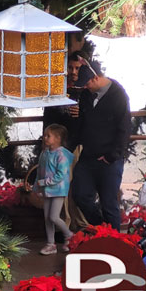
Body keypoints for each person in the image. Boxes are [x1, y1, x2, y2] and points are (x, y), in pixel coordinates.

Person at [70, 59, 131, 231]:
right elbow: (81, 123)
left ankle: (115, 242)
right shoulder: (86, 95)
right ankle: (101, 228)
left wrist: (113, 155)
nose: (85, 87)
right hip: (88, 157)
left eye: (87, 83)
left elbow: (124, 128)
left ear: (96, 78)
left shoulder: (118, 95)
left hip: (109, 161)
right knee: (80, 194)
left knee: (109, 203)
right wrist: (69, 147)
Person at [43, 51, 90, 232]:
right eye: (70, 67)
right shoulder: (55, 87)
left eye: (77, 68)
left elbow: (96, 118)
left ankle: (81, 225)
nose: (73, 71)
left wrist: (83, 113)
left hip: (79, 145)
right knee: (60, 188)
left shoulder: (87, 88)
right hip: (59, 146)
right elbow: (48, 118)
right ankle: (64, 228)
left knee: (79, 186)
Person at [34, 124, 74, 255]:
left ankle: (70, 236)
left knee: (53, 216)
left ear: (57, 138)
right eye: (45, 135)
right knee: (47, 218)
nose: (45, 138)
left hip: (58, 190)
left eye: (48, 136)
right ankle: (51, 244)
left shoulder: (61, 154)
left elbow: (60, 175)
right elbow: (40, 171)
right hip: (47, 190)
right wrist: (37, 187)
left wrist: (44, 182)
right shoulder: (44, 153)